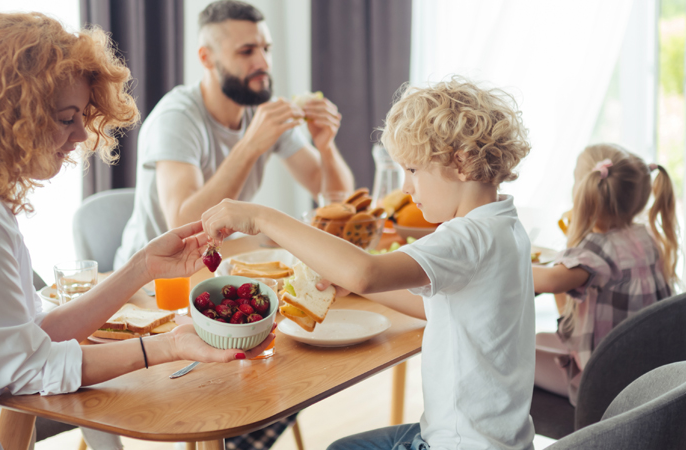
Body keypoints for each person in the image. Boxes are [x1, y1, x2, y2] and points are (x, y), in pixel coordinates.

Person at [0, 12, 271, 450]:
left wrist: (143, 266)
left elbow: (30, 336)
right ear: (9, 117)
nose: (82, 134)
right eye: (67, 118)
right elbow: (28, 369)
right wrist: (167, 347)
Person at [202, 77, 536, 450]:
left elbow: (366, 272)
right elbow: (436, 306)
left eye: (413, 170)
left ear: (461, 162)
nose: (407, 188)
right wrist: (350, 285)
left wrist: (263, 218)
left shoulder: (467, 238)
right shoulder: (504, 227)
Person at [114, 0, 354, 269]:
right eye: (246, 51)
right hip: (155, 277)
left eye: (266, 49)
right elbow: (183, 225)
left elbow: (340, 203)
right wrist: (250, 145)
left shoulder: (262, 110)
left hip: (217, 261)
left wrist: (326, 147)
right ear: (206, 58)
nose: (263, 62)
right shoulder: (176, 119)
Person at [532, 143, 678, 405]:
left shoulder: (596, 250)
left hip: (606, 383)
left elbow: (547, 281)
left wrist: (507, 257)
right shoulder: (645, 237)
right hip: (646, 367)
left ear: (585, 192)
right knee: (537, 339)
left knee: (516, 356)